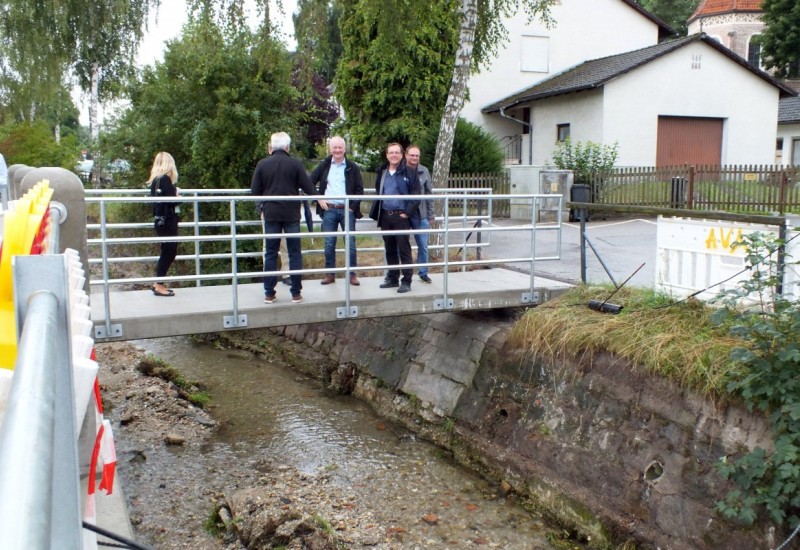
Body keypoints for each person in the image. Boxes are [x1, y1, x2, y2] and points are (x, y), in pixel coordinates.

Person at [251, 132, 315, 304]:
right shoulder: (295, 164)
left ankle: (269, 293)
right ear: (287, 147)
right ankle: (295, 293)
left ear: (272, 147)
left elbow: (255, 190)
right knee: (295, 253)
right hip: (291, 214)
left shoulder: (262, 164)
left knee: (270, 253)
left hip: (271, 214)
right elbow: (308, 187)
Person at [311, 136, 364, 286]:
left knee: (350, 244)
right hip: (329, 210)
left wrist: (353, 207)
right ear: (330, 149)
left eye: (340, 147)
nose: (337, 150)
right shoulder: (325, 165)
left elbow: (360, 190)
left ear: (345, 149)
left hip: (347, 210)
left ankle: (352, 274)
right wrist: (319, 199)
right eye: (334, 147)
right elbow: (310, 181)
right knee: (329, 244)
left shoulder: (352, 167)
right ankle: (330, 274)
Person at [369, 142, 421, 294]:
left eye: (396, 152)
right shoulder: (382, 172)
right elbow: (378, 191)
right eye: (390, 152)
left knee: (404, 249)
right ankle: (392, 278)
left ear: (401, 154)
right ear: (387, 155)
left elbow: (417, 195)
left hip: (401, 216)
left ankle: (407, 281)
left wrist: (407, 213)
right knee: (389, 249)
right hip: (385, 215)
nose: (393, 155)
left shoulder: (410, 172)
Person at [149, 152, 180, 297]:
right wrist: (178, 196)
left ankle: (157, 283)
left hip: (160, 221)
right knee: (169, 251)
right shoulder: (165, 179)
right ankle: (159, 284)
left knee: (166, 251)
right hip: (168, 220)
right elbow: (172, 201)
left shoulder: (155, 180)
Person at [405, 145, 434, 284]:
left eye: (417, 155)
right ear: (406, 155)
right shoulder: (400, 170)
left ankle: (423, 272)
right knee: (402, 246)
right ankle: (401, 273)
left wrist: (430, 214)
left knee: (423, 246)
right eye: (412, 155)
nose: (414, 158)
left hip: (421, 214)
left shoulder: (424, 171)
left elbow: (429, 194)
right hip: (404, 214)